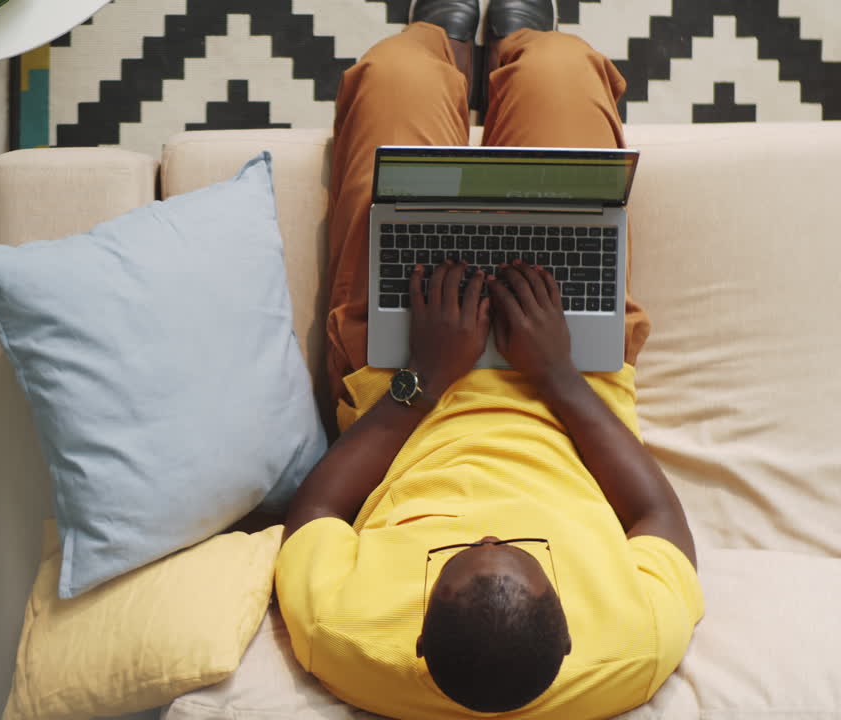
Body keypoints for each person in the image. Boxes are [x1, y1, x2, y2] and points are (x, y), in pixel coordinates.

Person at [273, 0, 705, 717]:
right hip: (568, 375)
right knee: (563, 72)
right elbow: (659, 513)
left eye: (463, 552)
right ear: (571, 639)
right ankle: (517, 47)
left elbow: (315, 507)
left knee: (398, 74)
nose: (488, 531)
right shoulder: (631, 650)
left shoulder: (345, 641)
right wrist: (556, 373)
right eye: (513, 549)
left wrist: (429, 377)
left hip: (406, 372)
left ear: (416, 642)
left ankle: (451, 49)